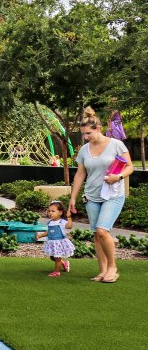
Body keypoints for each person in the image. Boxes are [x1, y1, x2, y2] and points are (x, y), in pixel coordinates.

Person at [69, 107, 133, 283]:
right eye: (83, 134)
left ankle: (113, 267)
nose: (85, 137)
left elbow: (130, 167)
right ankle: (103, 270)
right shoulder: (84, 150)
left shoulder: (116, 144)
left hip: (113, 195)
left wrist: (118, 176)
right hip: (91, 196)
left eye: (88, 133)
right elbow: (80, 174)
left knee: (102, 231)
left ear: (97, 128)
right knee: (97, 236)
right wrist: (73, 197)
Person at [36, 201, 74, 277]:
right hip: (52, 243)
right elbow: (48, 232)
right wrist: (41, 235)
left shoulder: (62, 222)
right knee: (52, 257)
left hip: (59, 243)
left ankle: (57, 272)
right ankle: (64, 263)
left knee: (57, 258)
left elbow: (69, 226)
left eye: (53, 211)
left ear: (60, 212)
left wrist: (69, 217)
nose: (50, 213)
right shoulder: (50, 222)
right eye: (49, 211)